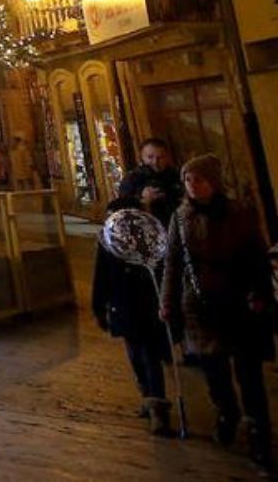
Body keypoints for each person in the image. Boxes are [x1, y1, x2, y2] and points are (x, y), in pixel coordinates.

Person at [161, 153, 273, 466]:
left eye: (198, 180)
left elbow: (257, 256)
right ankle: (227, 412)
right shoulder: (181, 218)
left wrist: (261, 292)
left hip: (238, 299)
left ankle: (258, 433)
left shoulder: (239, 213)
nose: (192, 186)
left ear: (214, 182)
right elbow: (172, 262)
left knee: (249, 374)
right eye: (187, 180)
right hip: (199, 304)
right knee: (214, 370)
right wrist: (167, 302)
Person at [93, 195, 175, 436]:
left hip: (142, 305)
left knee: (146, 354)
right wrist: (99, 306)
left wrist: (99, 307)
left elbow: (102, 278)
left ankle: (156, 403)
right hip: (130, 305)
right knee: (140, 355)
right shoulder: (110, 241)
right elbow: (102, 276)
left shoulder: (141, 239)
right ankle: (149, 398)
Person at [120, 138, 184, 223]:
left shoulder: (178, 175)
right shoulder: (132, 178)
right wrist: (142, 199)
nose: (155, 162)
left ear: (167, 157)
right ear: (142, 157)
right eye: (150, 157)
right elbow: (122, 209)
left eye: (160, 157)